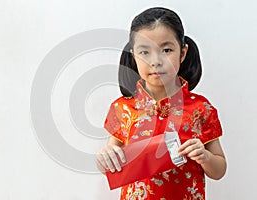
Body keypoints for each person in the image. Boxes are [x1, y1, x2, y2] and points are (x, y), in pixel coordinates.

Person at [96, 7, 226, 200]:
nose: (155, 61)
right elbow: (108, 165)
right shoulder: (122, 109)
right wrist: (105, 157)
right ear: (133, 55)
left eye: (166, 50)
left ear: (182, 53)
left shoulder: (201, 108)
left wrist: (205, 157)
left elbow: (219, 169)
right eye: (144, 52)